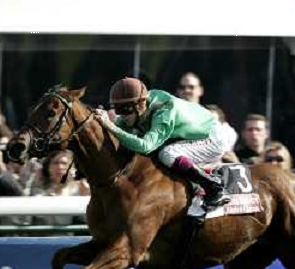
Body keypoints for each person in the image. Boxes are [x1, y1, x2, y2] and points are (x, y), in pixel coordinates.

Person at [94, 77, 230, 210]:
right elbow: (118, 137)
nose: (122, 115)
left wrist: (111, 127)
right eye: (117, 109)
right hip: (187, 136)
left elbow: (145, 146)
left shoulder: (164, 111)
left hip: (212, 137)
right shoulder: (138, 107)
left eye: (125, 110)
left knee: (168, 154)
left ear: (141, 104)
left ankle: (214, 187)